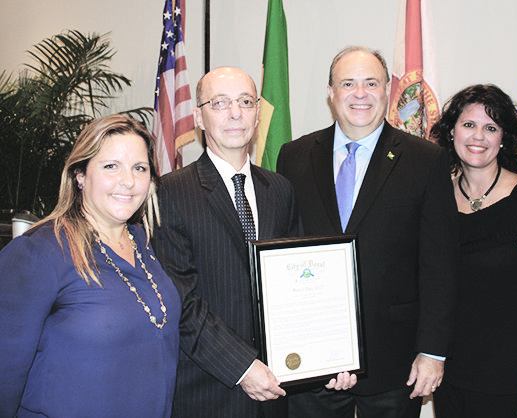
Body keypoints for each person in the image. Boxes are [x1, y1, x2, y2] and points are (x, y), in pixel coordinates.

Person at [276, 46, 459, 418]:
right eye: (348, 83)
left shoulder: (426, 160)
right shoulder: (293, 156)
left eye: (371, 83)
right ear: (331, 92)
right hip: (311, 364)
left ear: (388, 90)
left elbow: (441, 264)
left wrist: (433, 352)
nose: (360, 93)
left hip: (396, 360)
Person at [151, 66, 309, 418]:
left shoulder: (280, 189)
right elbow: (181, 301)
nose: (235, 112)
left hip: (276, 389)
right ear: (199, 118)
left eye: (245, 101)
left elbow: (298, 283)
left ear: (257, 115)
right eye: (220, 103)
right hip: (208, 391)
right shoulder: (170, 193)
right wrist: (242, 367)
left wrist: (322, 354)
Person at [0, 115, 181, 418]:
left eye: (139, 168)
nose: (128, 180)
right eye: (111, 166)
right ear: (80, 175)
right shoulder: (39, 252)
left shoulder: (144, 243)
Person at [430, 84, 517, 418]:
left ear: (503, 137)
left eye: (491, 127)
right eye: (469, 125)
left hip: (509, 378)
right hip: (448, 372)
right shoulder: (435, 198)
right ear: (451, 132)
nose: (478, 136)